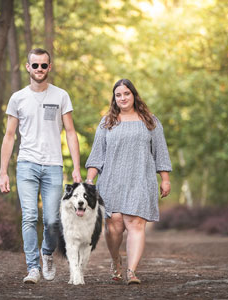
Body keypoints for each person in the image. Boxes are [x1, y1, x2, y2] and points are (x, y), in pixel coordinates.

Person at [0, 48, 82, 284]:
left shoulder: (61, 96)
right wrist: (3, 172)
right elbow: (9, 136)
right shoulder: (17, 98)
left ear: (49, 67)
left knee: (52, 220)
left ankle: (47, 254)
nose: (39, 69)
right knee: (29, 216)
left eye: (43, 65)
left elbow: (71, 132)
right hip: (26, 164)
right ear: (28, 67)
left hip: (54, 165)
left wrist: (76, 167)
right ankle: (33, 268)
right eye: (34, 65)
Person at [85, 78, 172, 285]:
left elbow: (161, 152)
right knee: (114, 225)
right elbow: (97, 154)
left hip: (141, 179)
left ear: (134, 95)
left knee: (135, 223)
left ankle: (131, 271)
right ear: (114, 99)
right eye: (118, 95)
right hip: (112, 180)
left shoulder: (150, 121)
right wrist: (89, 180)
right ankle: (116, 261)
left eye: (126, 94)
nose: (123, 98)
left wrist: (165, 179)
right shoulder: (107, 122)